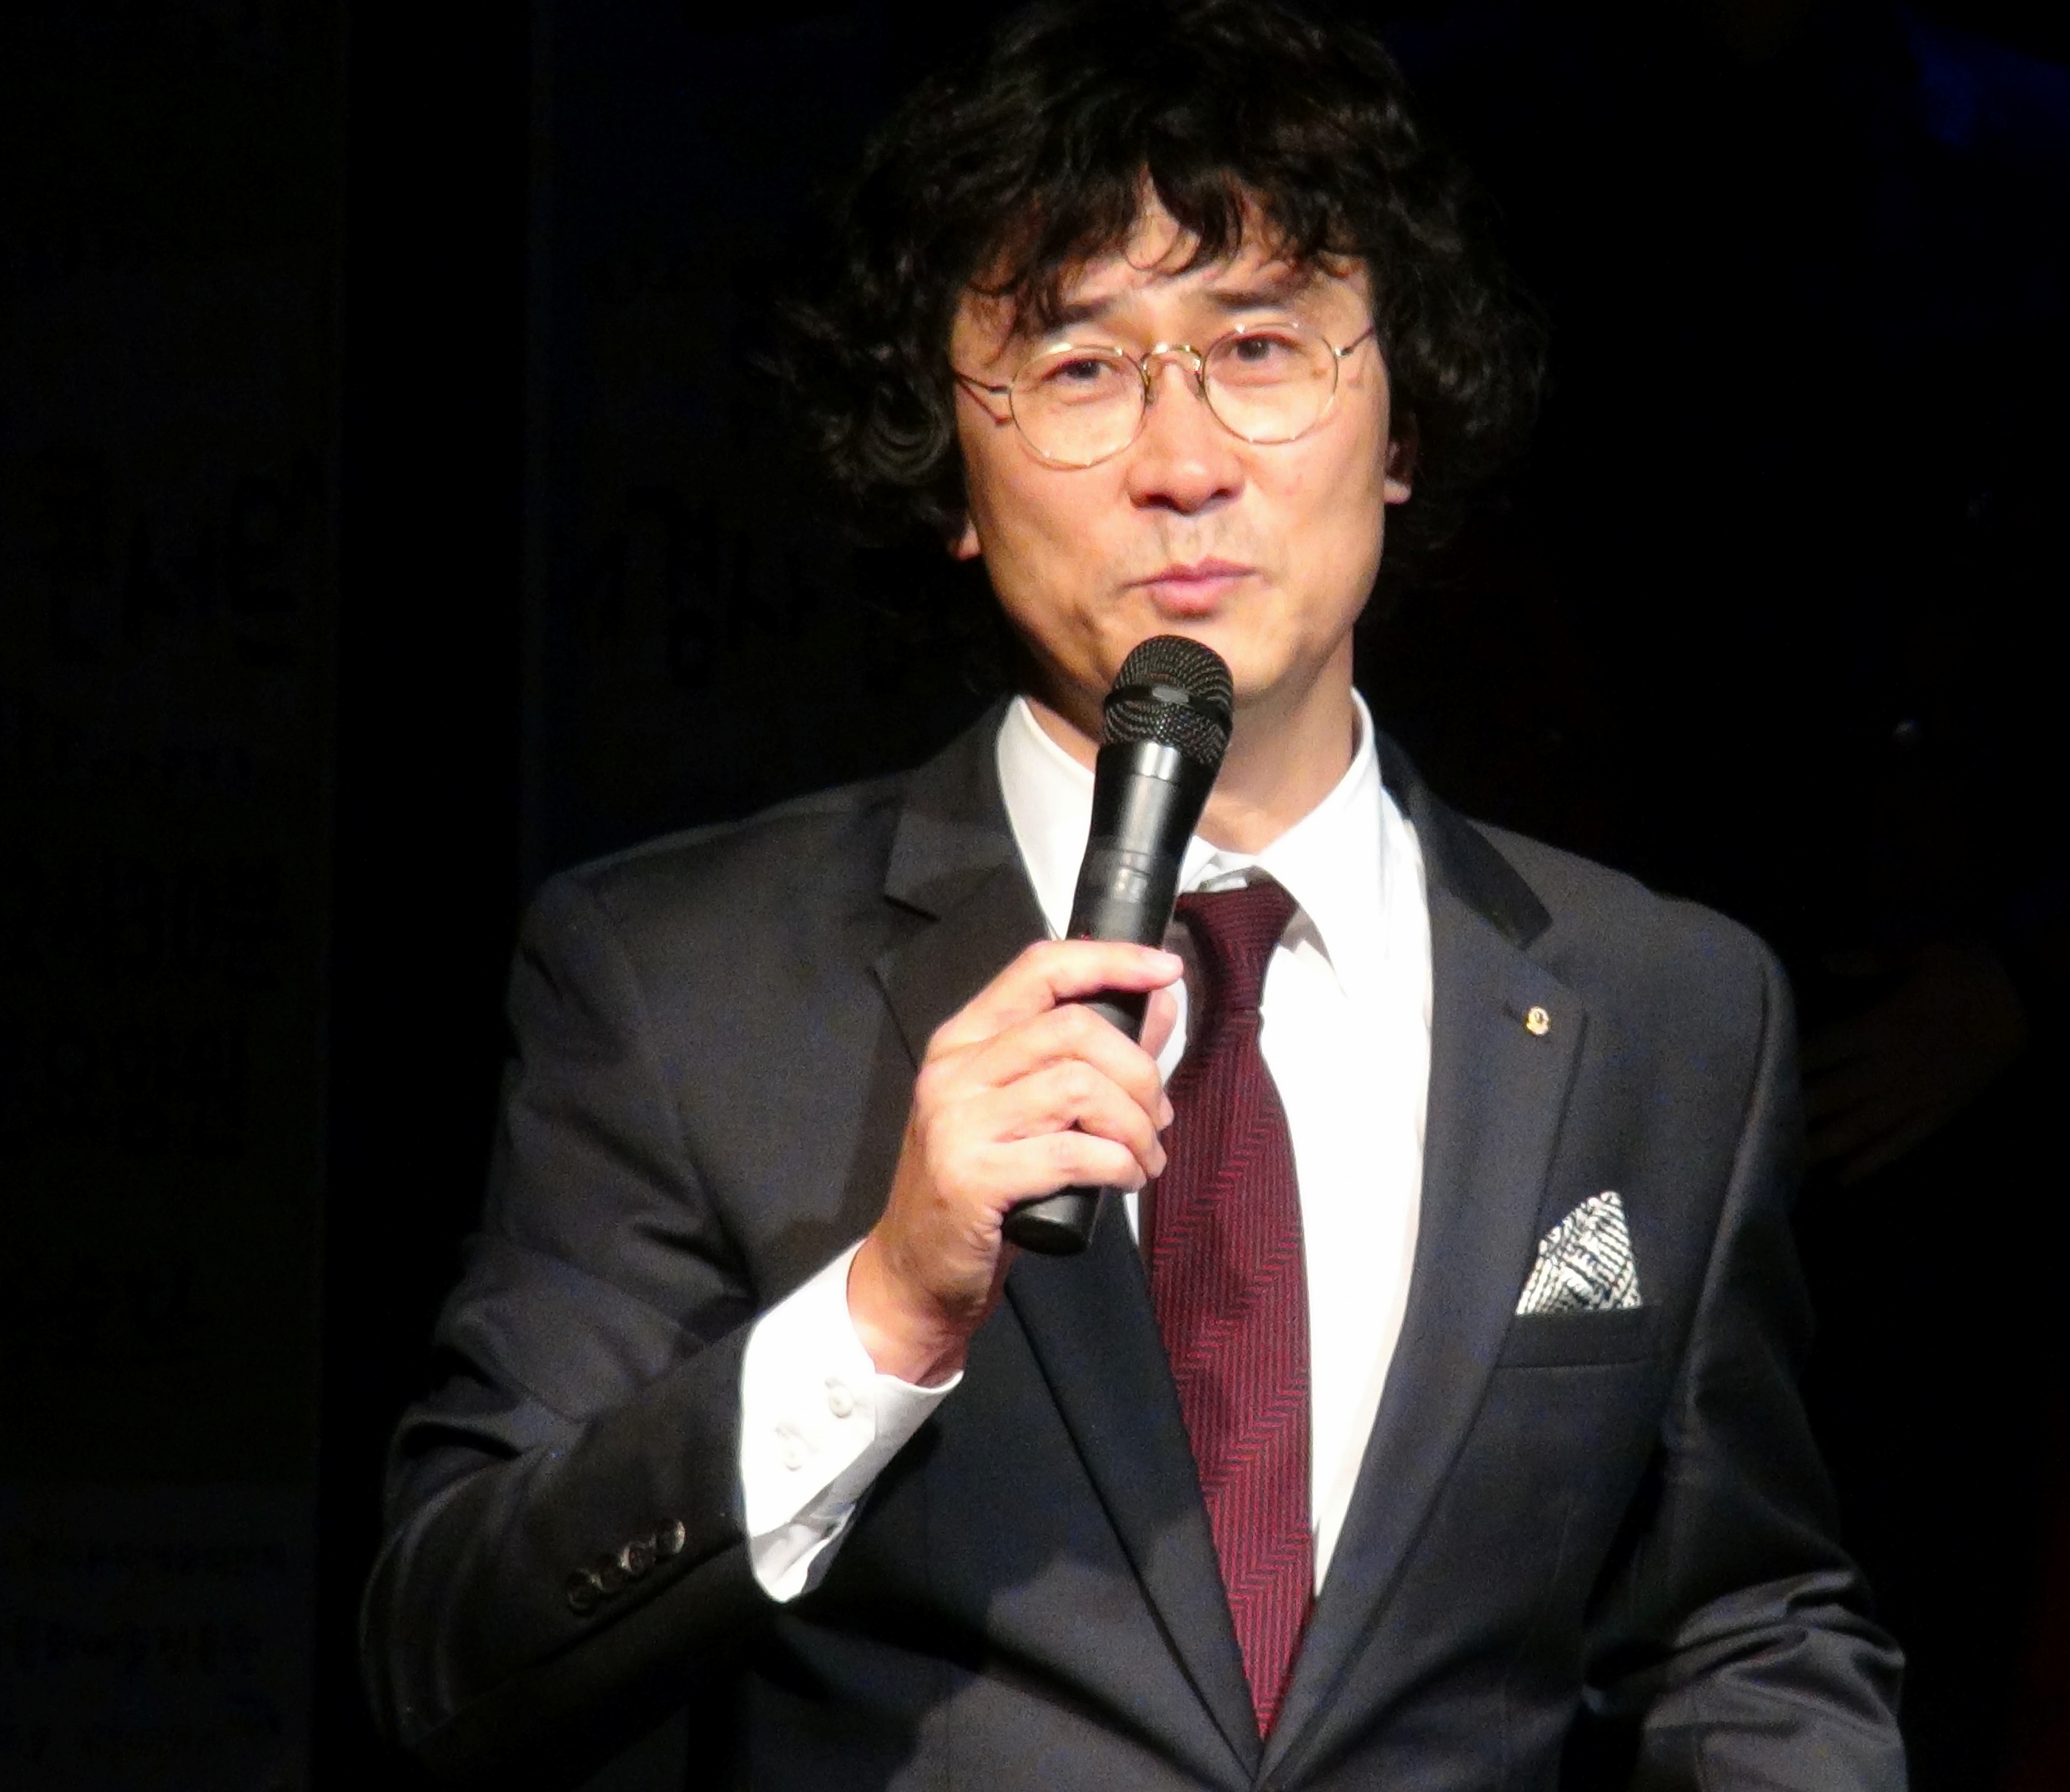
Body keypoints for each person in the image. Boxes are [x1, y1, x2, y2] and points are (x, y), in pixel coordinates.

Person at [360, 3, 1905, 1786]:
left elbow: (1739, 1628)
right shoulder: (678, 981)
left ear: (1401, 419)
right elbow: (449, 1656)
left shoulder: (1666, 1002)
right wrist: (883, 1311)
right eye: (1081, 368)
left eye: (1258, 345)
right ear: (947, 464)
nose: (1184, 461)